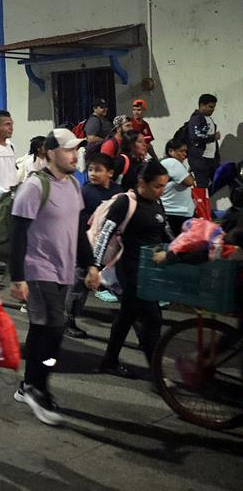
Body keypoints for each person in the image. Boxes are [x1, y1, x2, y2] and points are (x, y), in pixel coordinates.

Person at [9, 128, 93, 426]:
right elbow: (17, 235)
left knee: (42, 330)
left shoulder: (72, 185)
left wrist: (91, 264)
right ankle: (37, 387)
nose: (75, 155)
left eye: (76, 150)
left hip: (64, 270)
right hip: (38, 269)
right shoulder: (33, 187)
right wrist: (17, 277)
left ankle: (28, 384)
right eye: (69, 150)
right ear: (50, 152)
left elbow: (80, 229)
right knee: (56, 329)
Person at [90, 161, 171, 377]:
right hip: (131, 270)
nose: (161, 191)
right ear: (142, 182)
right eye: (157, 186)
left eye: (164, 186)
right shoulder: (125, 203)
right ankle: (158, 375)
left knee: (127, 316)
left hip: (150, 271)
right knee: (152, 318)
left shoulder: (157, 202)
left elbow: (165, 232)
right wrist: (95, 267)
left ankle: (109, 361)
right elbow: (105, 235)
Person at [64, 153, 121, 339]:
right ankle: (69, 320)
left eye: (98, 170)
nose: (92, 174)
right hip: (87, 245)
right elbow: (76, 219)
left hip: (110, 247)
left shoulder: (118, 192)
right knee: (80, 284)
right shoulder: (86, 191)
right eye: (90, 169)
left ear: (110, 173)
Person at [159, 138, 194, 236]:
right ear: (171, 151)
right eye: (181, 151)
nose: (185, 155)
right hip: (176, 213)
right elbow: (189, 181)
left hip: (176, 212)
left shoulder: (169, 163)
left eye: (185, 151)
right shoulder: (172, 162)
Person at [186, 93, 220, 188]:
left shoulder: (209, 118)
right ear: (202, 105)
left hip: (211, 159)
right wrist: (213, 137)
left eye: (213, 107)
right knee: (202, 187)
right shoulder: (196, 118)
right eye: (210, 107)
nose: (212, 109)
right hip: (200, 160)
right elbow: (195, 136)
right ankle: (202, 202)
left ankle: (206, 201)